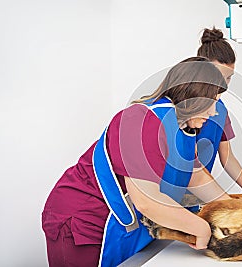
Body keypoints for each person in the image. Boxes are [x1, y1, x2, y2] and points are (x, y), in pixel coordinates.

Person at [42, 57, 232, 267]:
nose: (214, 112)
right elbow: (146, 201)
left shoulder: (184, 131)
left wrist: (234, 208)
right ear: (194, 95)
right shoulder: (141, 121)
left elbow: (196, 177)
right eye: (212, 101)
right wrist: (201, 228)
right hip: (82, 218)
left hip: (119, 223)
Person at [196, 27, 242, 194]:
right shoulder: (178, 107)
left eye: (229, 77)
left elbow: (227, 155)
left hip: (197, 195)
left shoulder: (220, 110)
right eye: (219, 76)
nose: (224, 84)